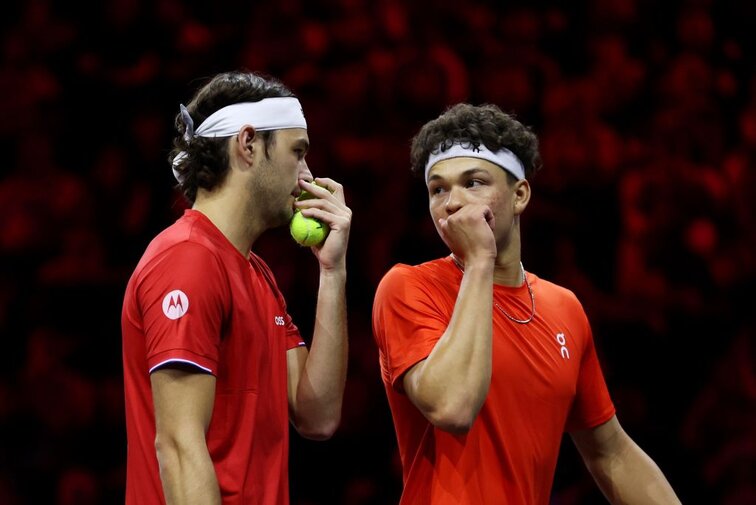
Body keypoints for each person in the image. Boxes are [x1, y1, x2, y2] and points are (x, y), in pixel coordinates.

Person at [372, 103, 681, 504]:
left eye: (474, 182)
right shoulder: (408, 287)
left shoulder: (564, 308)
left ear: (520, 195)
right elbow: (452, 406)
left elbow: (612, 454)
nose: (452, 202)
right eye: (438, 188)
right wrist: (480, 260)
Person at [121, 71, 351, 505]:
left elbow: (317, 415)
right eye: (297, 152)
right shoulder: (187, 260)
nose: (308, 175)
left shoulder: (256, 274)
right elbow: (179, 447)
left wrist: (333, 271)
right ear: (247, 145)